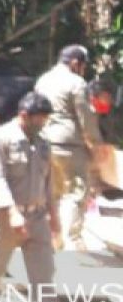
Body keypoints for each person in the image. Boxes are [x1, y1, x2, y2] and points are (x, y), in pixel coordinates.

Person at [0, 91, 64, 302]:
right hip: (7, 216)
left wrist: (55, 218)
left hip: (37, 216)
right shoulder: (0, 138)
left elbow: (49, 182)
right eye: (39, 119)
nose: (42, 124)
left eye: (45, 119)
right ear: (23, 115)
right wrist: (12, 212)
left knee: (44, 275)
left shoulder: (43, 143)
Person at [34, 44, 101, 249]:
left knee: (51, 193)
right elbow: (85, 117)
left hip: (44, 142)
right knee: (75, 191)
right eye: (82, 66)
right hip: (69, 145)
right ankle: (72, 241)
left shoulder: (43, 80)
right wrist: (96, 144)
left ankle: (50, 240)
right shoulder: (76, 83)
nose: (83, 70)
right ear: (74, 63)